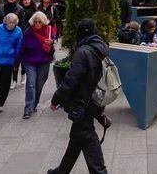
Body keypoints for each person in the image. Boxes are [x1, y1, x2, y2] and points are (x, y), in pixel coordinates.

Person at [49, 19, 110, 174]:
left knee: (87, 136)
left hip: (82, 100)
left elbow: (71, 78)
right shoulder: (100, 47)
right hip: (94, 98)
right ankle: (62, 170)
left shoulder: (83, 52)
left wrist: (57, 98)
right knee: (77, 136)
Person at [21, 11, 56, 119]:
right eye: (35, 22)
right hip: (29, 61)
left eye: (39, 22)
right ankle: (28, 109)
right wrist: (16, 62)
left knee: (39, 84)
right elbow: (22, 47)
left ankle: (34, 104)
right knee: (31, 84)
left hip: (44, 61)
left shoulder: (48, 31)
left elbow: (54, 39)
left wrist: (50, 43)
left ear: (43, 23)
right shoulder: (28, 32)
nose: (37, 24)